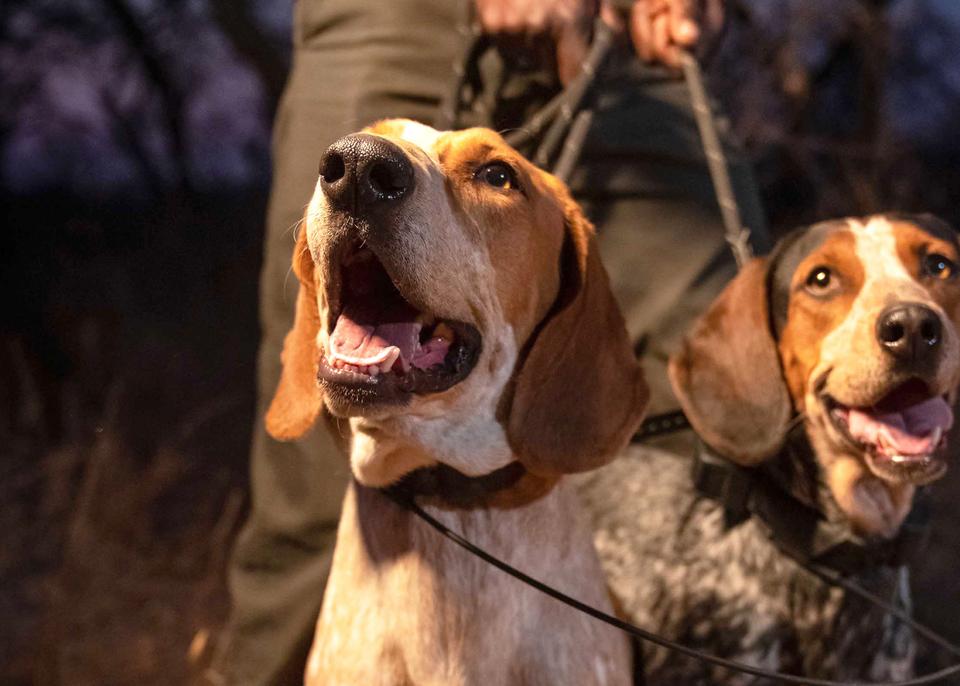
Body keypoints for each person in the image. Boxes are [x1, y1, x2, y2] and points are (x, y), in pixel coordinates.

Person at [215, 0, 769, 682]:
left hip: (632, 39)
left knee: (732, 432)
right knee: (311, 506)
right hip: (393, 22)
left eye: (494, 178)